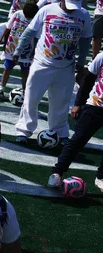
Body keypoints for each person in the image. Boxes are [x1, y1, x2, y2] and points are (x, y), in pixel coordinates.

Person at [14, 0, 92, 144]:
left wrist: (81, 61)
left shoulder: (84, 15)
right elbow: (30, 31)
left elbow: (86, 40)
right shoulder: (47, 10)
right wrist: (18, 51)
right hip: (42, 63)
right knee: (31, 98)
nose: (71, 10)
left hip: (66, 66)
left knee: (61, 102)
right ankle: (24, 130)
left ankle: (59, 132)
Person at [48, 51, 103, 193]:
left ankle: (101, 176)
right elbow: (87, 80)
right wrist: (78, 103)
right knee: (78, 139)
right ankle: (57, 172)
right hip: (95, 105)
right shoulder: (102, 57)